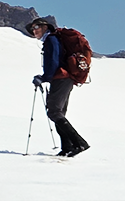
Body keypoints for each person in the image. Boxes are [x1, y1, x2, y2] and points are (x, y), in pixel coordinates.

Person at [28, 18, 91, 157]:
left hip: (61, 78)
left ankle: (79, 143)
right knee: (59, 113)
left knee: (54, 112)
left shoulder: (51, 39)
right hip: (65, 78)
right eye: (32, 28)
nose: (34, 30)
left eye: (36, 27)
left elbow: (54, 60)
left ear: (45, 27)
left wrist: (44, 77)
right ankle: (67, 147)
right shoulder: (52, 39)